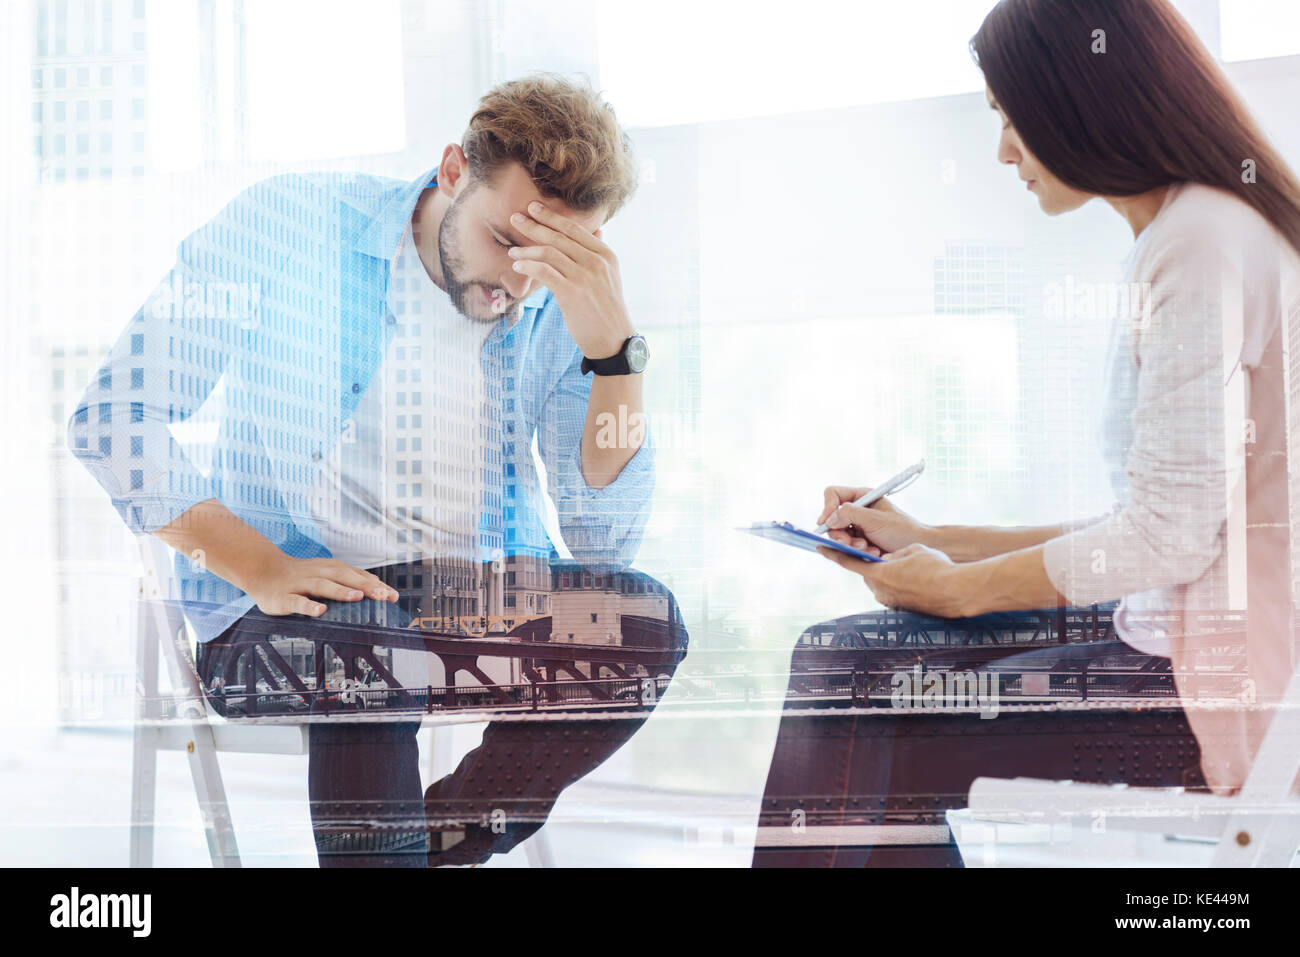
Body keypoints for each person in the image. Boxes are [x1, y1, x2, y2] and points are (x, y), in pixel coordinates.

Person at [67, 72, 683, 866]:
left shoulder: (568, 305)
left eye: (552, 257)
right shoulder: (289, 223)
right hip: (283, 613)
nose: (519, 283)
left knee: (643, 624)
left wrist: (616, 359)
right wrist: (261, 565)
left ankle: (425, 850)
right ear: (454, 171)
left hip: (465, 599)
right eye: (505, 239)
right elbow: (111, 418)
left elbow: (604, 544)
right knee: (368, 636)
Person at [755, 0, 1300, 867]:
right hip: (1169, 632)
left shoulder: (1201, 245)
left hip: (1207, 684)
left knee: (869, 710)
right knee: (838, 659)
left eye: (1012, 118)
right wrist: (934, 544)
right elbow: (1151, 525)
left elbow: (1163, 536)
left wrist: (959, 589)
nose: (1004, 150)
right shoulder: (1191, 231)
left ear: (1083, 98)